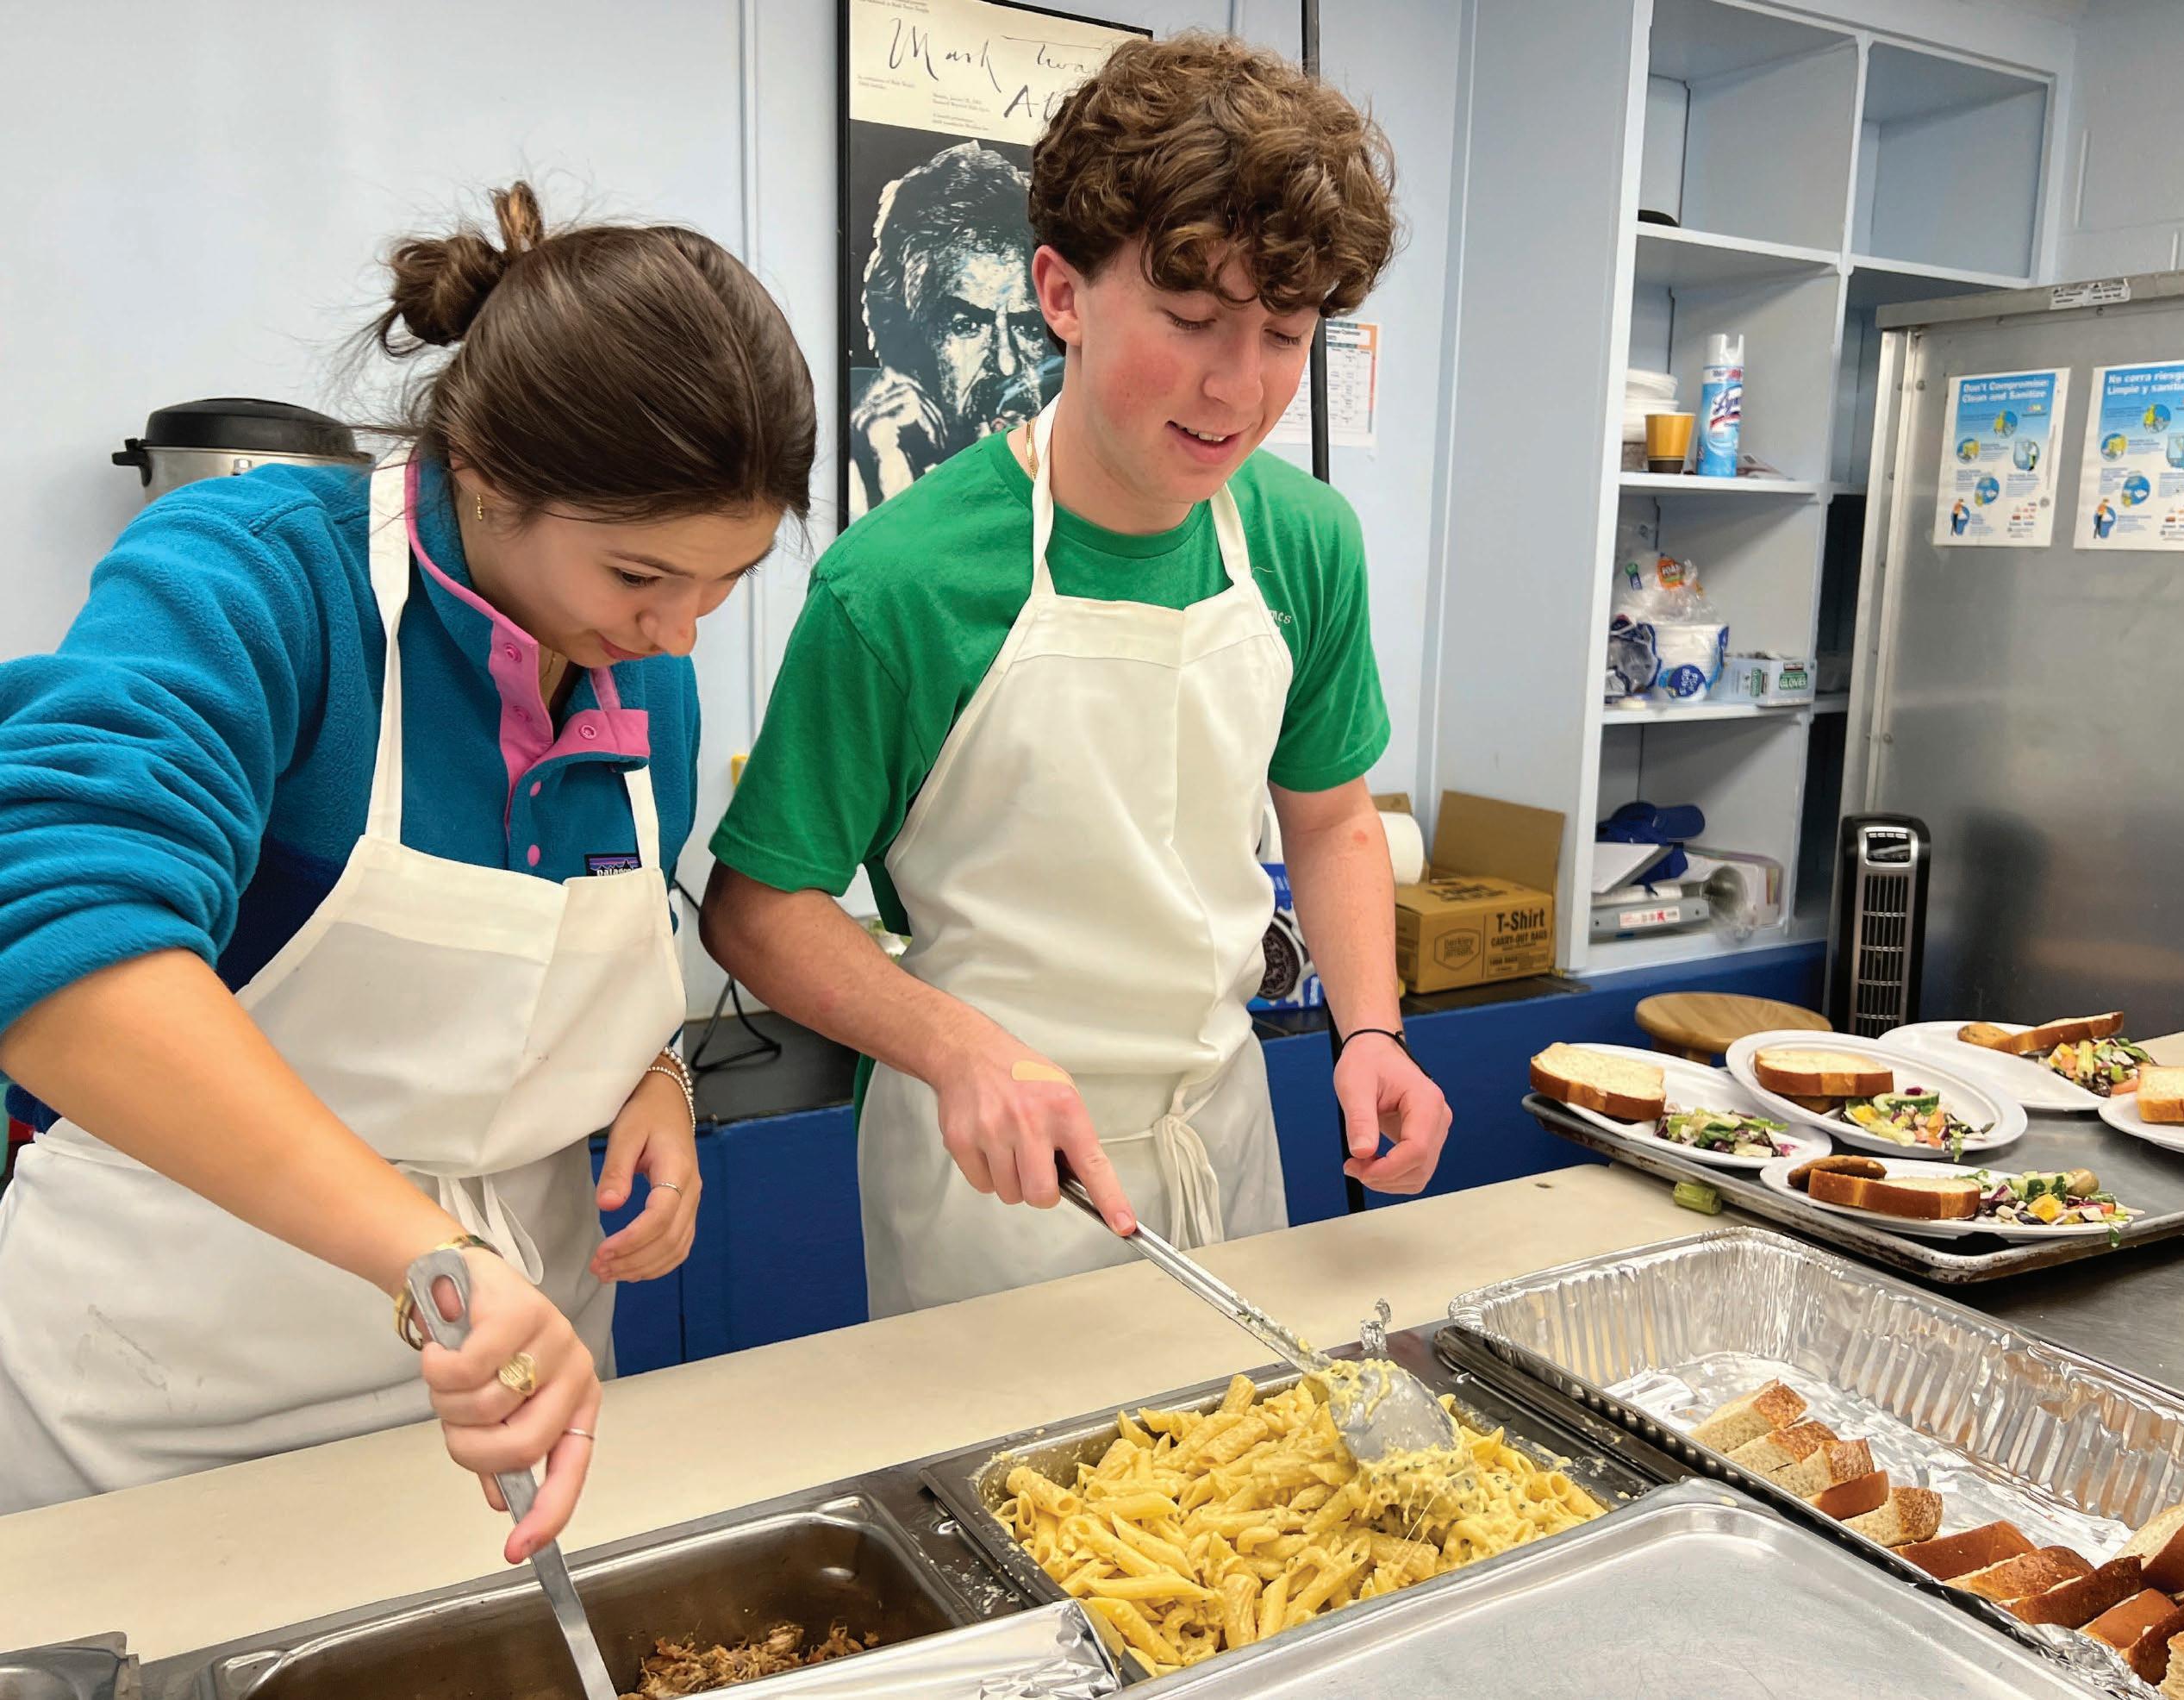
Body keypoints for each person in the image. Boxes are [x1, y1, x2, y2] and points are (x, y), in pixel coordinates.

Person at [0, 184, 815, 1557]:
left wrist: (650, 1077)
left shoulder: (638, 680)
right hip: (163, 1407)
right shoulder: (260, 582)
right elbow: (58, 938)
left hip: (508, 1397)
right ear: (484, 473)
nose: (679, 635)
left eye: (722, 581)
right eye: (638, 575)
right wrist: (425, 1254)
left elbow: (559, 978)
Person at [706, 33, 1451, 1318]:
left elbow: (1330, 818)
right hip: (996, 1178)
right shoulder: (901, 581)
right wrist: (954, 1047)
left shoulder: (1304, 541)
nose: (1238, 387)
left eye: (1284, 334)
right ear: (1060, 292)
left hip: (1222, 1133)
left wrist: (1370, 1029)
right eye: (1192, 320)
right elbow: (757, 908)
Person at [848, 141, 1058, 516]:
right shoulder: (866, 480)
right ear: (910, 341)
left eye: (1027, 327)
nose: (1007, 365)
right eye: (968, 325)